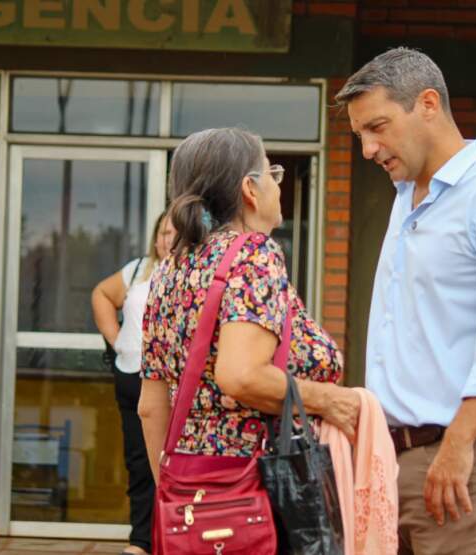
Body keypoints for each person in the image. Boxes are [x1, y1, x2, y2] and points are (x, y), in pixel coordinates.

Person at [335, 47, 476, 555]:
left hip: (462, 463)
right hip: (390, 463)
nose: (368, 148)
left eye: (378, 127)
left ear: (428, 104)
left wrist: (456, 449)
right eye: (361, 134)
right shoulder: (405, 196)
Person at [137, 127, 361, 487]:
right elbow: (241, 375)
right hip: (258, 490)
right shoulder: (253, 253)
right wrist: (329, 398)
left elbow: (150, 407)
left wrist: (171, 494)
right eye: (272, 174)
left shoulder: (169, 269)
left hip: (193, 498)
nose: (278, 185)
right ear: (250, 190)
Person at [91, 212, 175, 555]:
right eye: (165, 232)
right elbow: (100, 295)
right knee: (140, 463)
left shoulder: (195, 272)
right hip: (132, 376)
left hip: (173, 384)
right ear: (156, 239)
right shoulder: (139, 269)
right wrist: (118, 340)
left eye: (177, 232)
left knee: (172, 463)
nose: (170, 238)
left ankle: (173, 538)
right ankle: (142, 540)